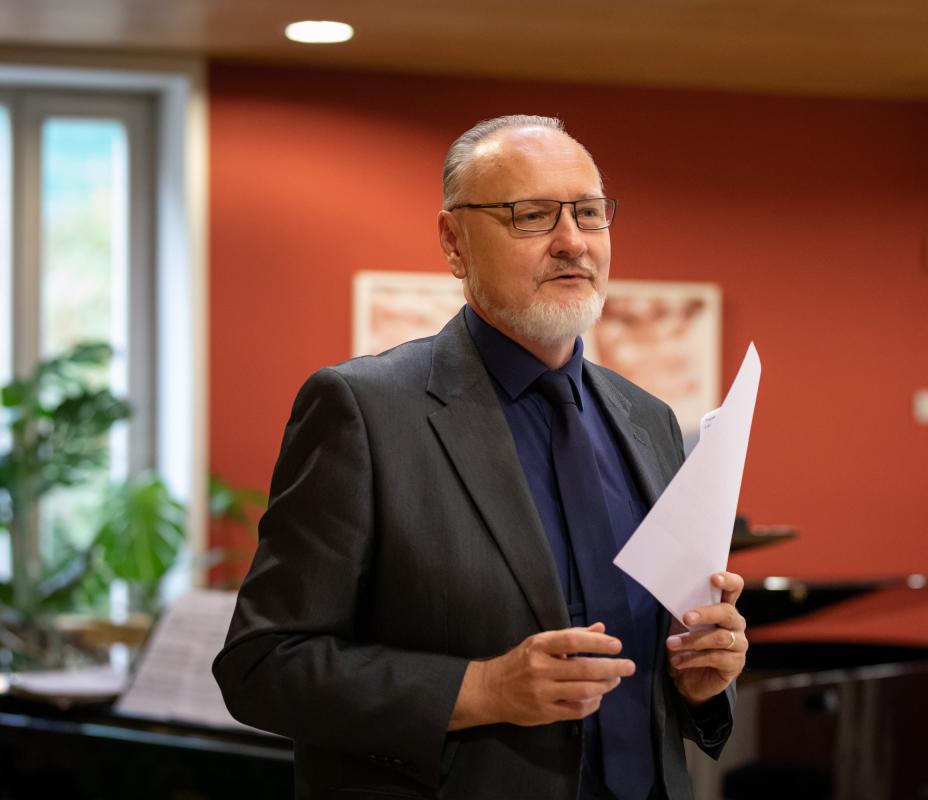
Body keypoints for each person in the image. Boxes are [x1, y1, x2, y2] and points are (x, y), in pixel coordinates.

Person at [213, 115, 749, 800]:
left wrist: (698, 676)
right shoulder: (363, 411)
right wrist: (480, 689)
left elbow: (659, 674)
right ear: (453, 242)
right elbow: (262, 667)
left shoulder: (648, 420)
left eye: (589, 213)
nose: (572, 241)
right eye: (532, 216)